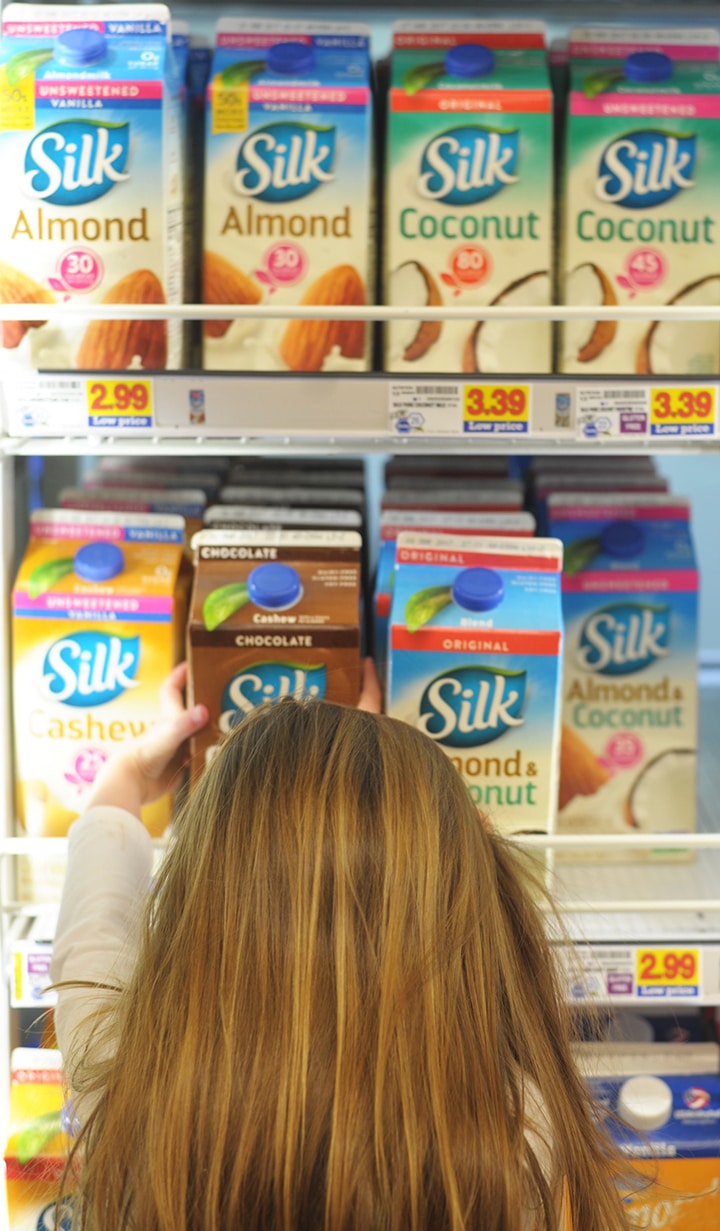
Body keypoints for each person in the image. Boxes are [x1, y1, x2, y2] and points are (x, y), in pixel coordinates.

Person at [51, 661, 631, 1231]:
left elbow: (94, 926)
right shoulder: (512, 1133)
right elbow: (496, 970)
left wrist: (129, 769)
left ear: (203, 896)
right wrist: (395, 806)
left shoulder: (121, 1072)